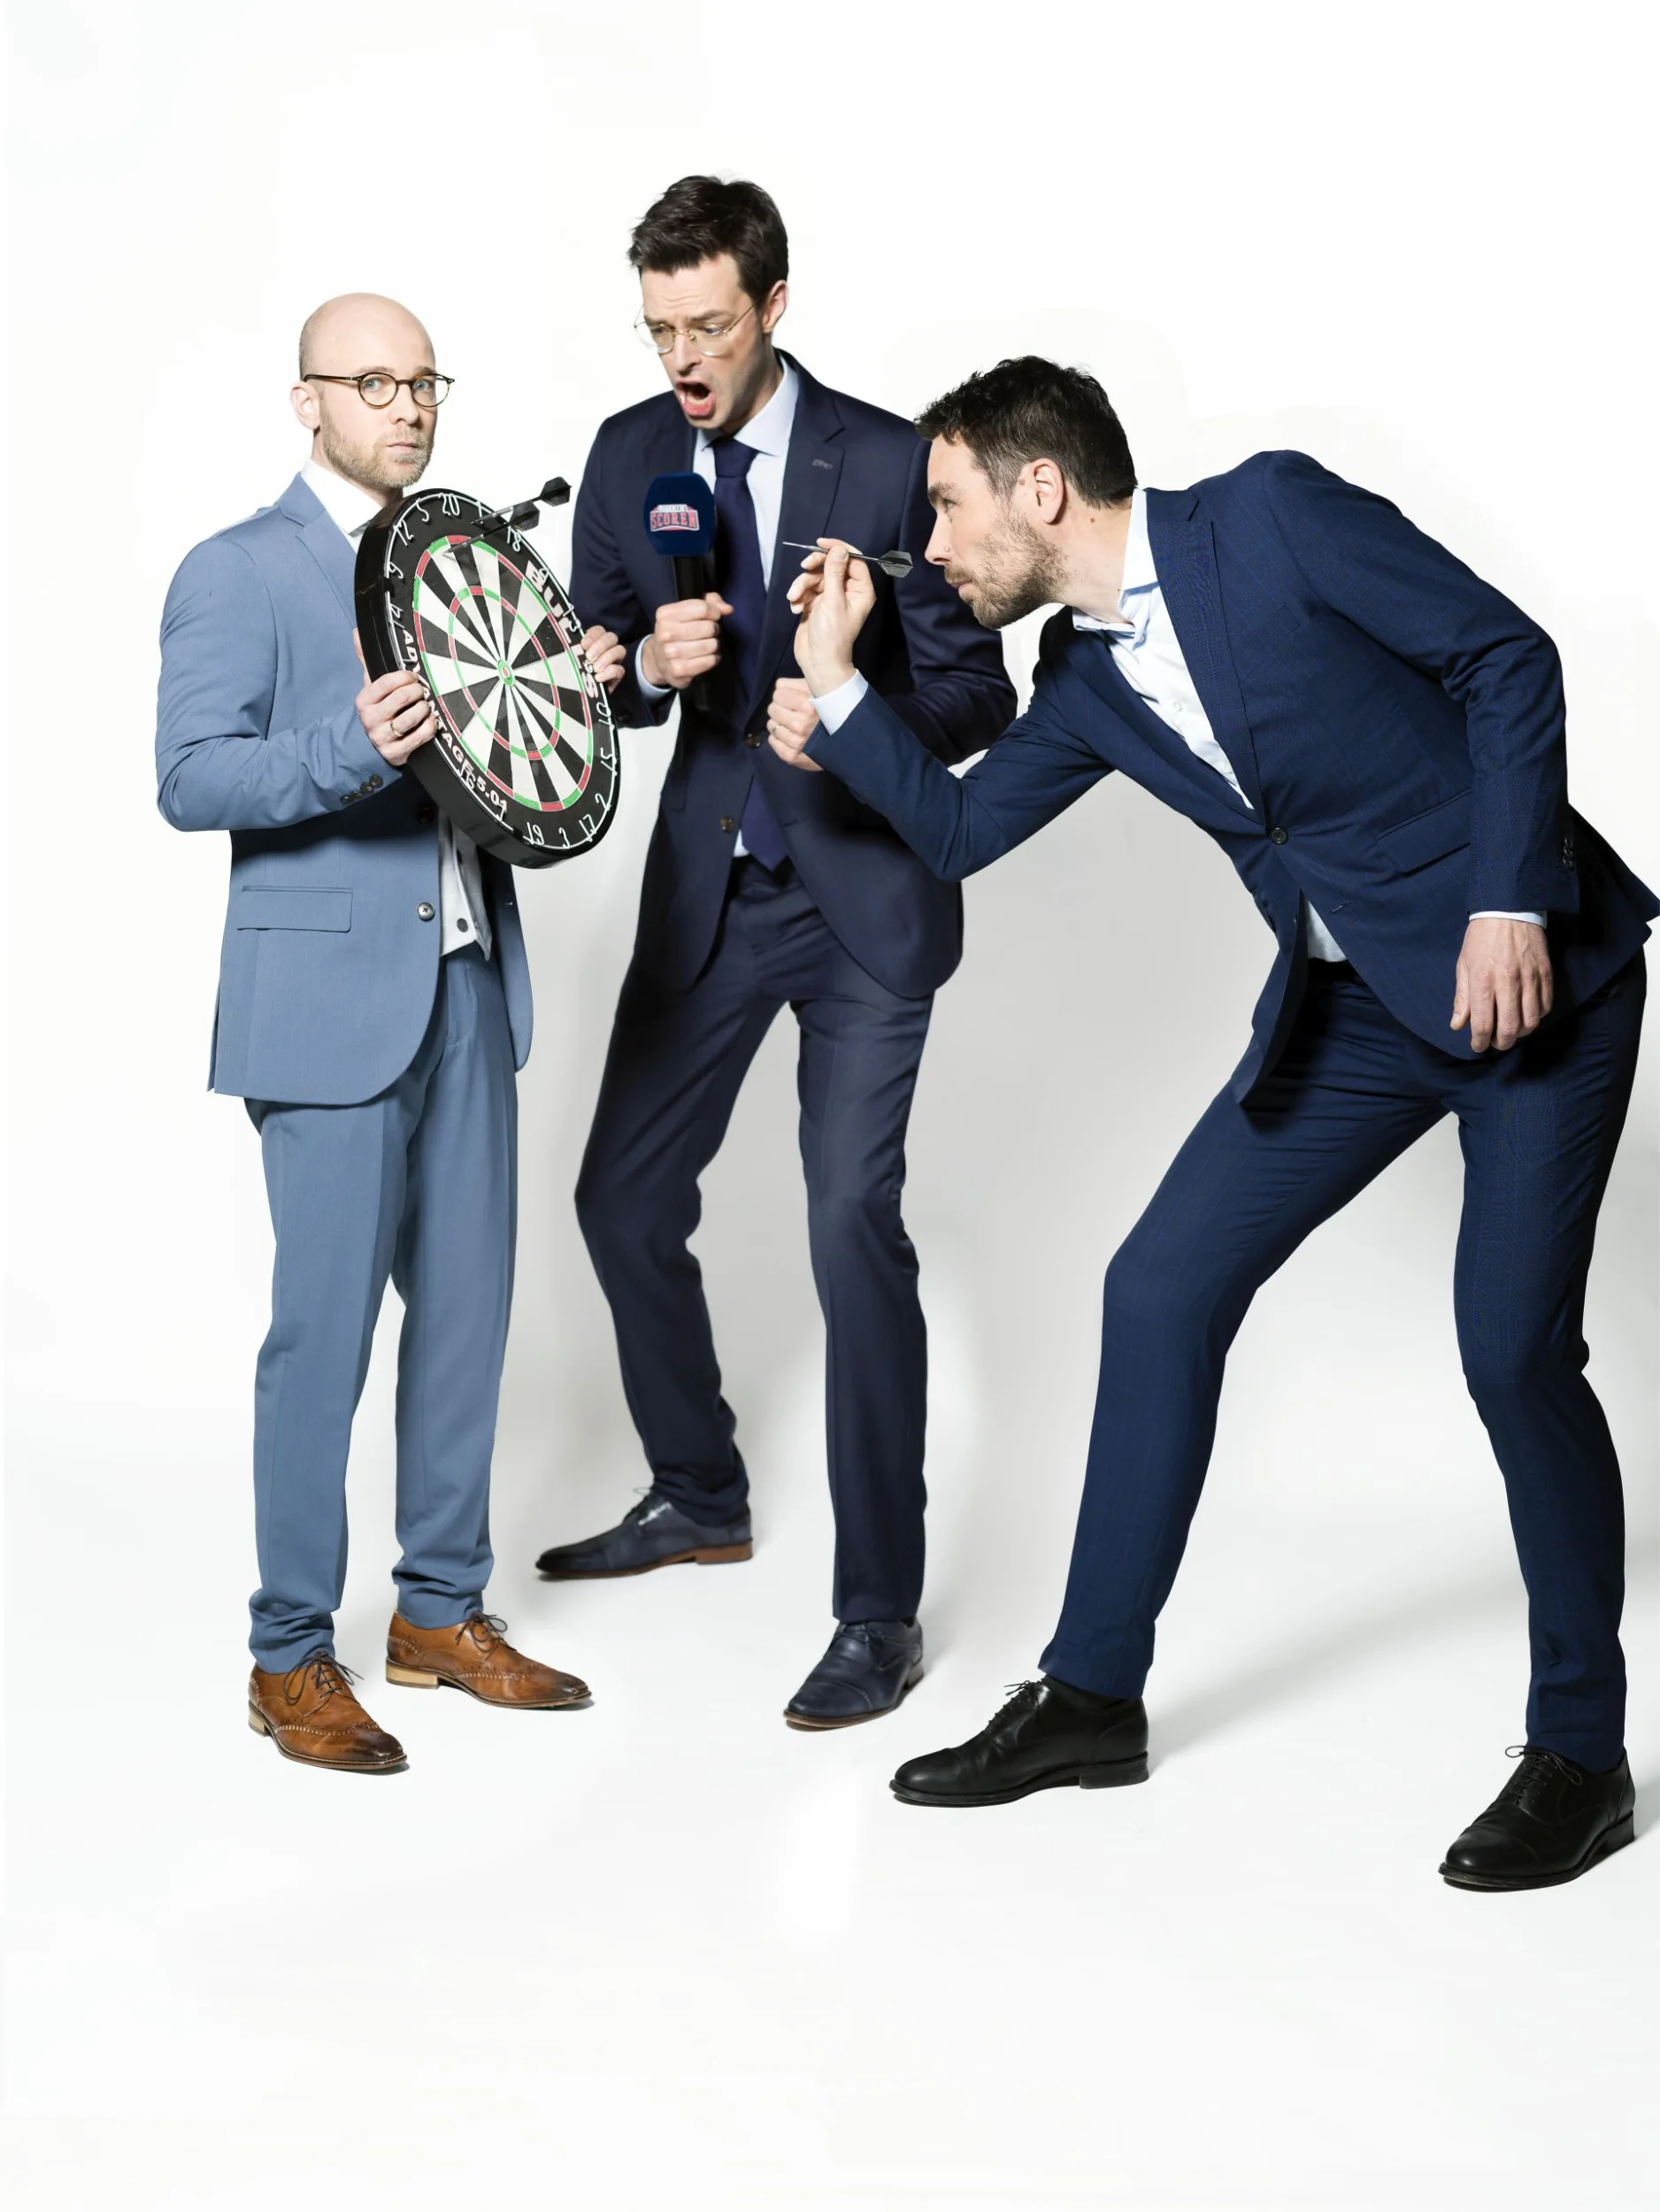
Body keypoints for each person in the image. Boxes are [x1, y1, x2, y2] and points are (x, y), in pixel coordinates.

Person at [784, 356, 1655, 1886]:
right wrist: (841, 690)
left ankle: (1582, 1756)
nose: (933, 541)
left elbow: (1506, 660)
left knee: (1512, 1353)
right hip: (1355, 1017)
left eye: (949, 503)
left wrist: (1512, 898)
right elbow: (965, 830)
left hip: (1533, 988)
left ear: (1040, 487)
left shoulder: (1272, 518)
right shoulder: (1088, 682)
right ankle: (1090, 1697)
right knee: (1159, 1289)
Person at [541, 179, 1015, 1728]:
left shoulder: (890, 461)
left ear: (774, 304)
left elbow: (980, 699)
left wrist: (854, 699)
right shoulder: (627, 454)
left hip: (862, 897)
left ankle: (878, 1611)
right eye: (659, 329)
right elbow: (586, 668)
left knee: (846, 1221)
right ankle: (699, 1491)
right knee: (618, 1199)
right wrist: (634, 664)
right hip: (711, 889)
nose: (684, 357)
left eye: (710, 325)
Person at [156, 293, 625, 1773]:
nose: (409, 407)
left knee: (470, 1318)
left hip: (471, 985)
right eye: (373, 383)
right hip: (325, 1010)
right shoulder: (239, 568)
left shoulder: (465, 565)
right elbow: (190, 775)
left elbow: (503, 772)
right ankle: (289, 1652)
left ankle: (439, 1615)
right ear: (307, 401)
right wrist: (348, 746)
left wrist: (567, 697)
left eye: (425, 382)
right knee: (322, 1338)